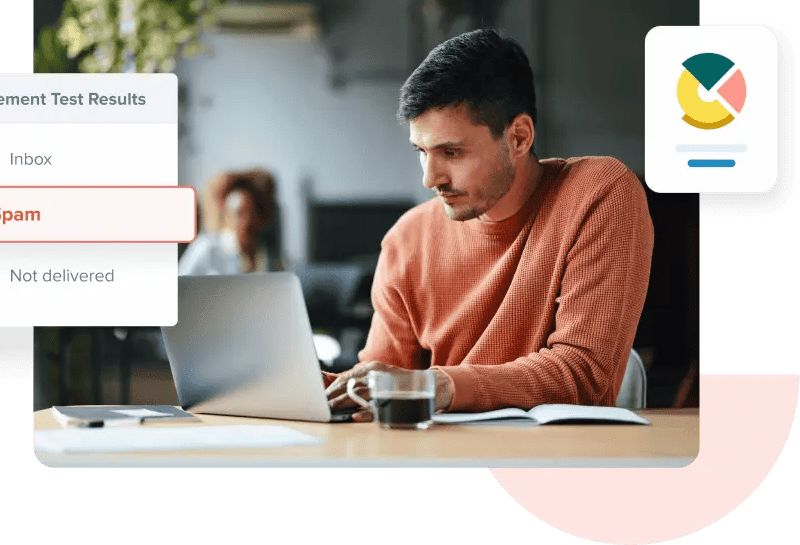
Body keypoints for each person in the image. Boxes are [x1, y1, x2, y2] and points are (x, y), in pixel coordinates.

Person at [324, 29, 654, 420]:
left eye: (452, 152)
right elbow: (376, 390)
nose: (431, 179)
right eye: (422, 152)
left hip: (552, 465)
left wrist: (439, 385)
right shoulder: (407, 238)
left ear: (518, 137)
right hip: (434, 464)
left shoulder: (598, 193)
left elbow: (584, 375)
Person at [178, 168, 282, 275]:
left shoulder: (264, 251)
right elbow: (181, 284)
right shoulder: (206, 247)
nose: (246, 221)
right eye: (239, 213)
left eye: (252, 213)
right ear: (227, 215)